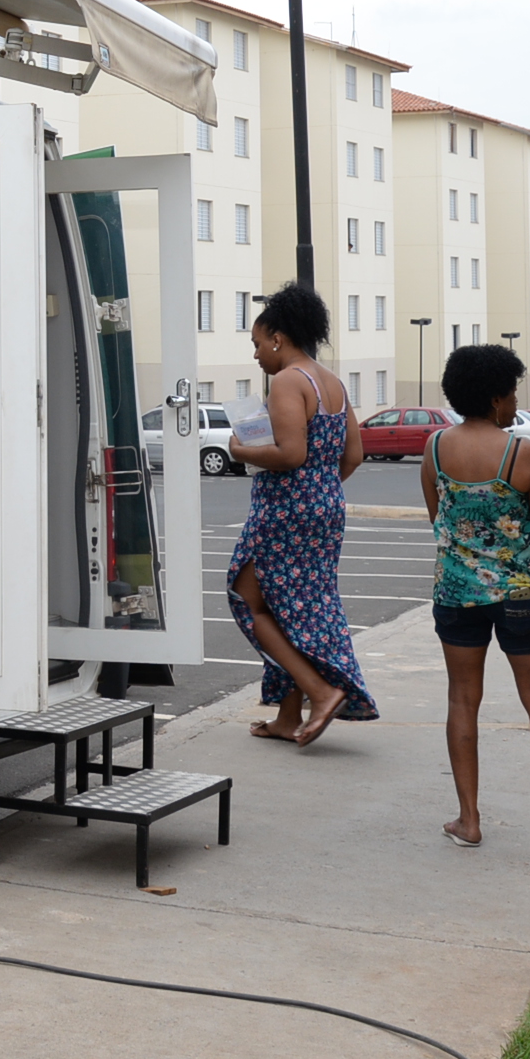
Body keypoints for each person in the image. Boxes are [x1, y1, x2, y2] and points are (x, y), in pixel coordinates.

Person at [420, 343, 530, 859]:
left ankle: (468, 819)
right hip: (521, 592)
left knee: (463, 700)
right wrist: (513, 559)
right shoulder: (521, 452)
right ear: (494, 398)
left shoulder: (435, 447)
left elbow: (438, 518)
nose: (515, 402)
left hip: (457, 592)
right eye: (511, 393)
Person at [226, 282, 378, 746]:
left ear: (277, 335)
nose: (255, 354)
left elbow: (290, 454)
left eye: (257, 343)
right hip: (324, 508)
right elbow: (353, 455)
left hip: (285, 510)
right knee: (290, 608)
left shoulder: (288, 381)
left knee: (246, 597)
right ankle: (288, 717)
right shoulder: (330, 382)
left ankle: (319, 691)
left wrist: (239, 448)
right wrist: (321, 491)